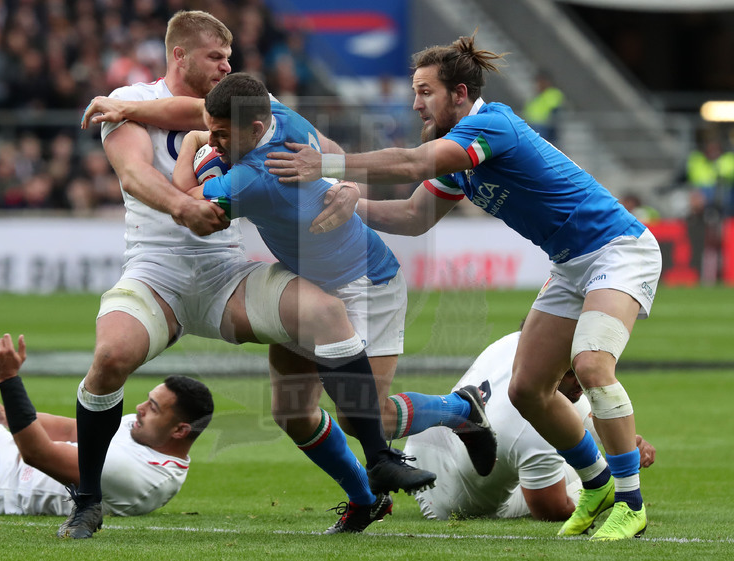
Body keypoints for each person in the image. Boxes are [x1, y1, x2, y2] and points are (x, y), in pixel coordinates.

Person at [265, 32, 663, 541]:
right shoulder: (464, 158)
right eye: (415, 91)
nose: (415, 103)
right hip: (571, 265)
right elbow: (412, 216)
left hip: (618, 249)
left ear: (458, 93)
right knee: (526, 390)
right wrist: (347, 205)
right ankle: (597, 483)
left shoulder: (490, 125)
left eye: (425, 91)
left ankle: (631, 503)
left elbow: (415, 162)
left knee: (590, 366)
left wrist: (329, 165)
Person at [70, 10, 436, 538]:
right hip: (157, 272)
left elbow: (329, 154)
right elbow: (133, 174)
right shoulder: (129, 103)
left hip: (226, 273)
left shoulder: (241, 107)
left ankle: (372, 472)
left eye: (229, 57)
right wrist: (181, 206)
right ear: (180, 55)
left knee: (324, 318)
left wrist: (352, 188)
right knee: (110, 358)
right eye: (216, 56)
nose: (227, 65)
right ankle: (86, 502)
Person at [176, 71, 497, 531]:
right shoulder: (281, 116)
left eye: (222, 134)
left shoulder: (252, 179)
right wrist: (346, 185)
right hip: (309, 287)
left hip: (369, 286)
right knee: (292, 413)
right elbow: (336, 151)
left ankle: (463, 410)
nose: (216, 141)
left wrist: (192, 148)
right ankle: (365, 499)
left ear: (252, 128)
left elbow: (186, 203)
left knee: (367, 418)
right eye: (212, 131)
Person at [0, 334, 212, 518]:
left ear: (180, 431)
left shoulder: (137, 474)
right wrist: (5, 416)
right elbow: (72, 431)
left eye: (153, 408)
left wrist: (8, 380)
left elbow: (37, 453)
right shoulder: (148, 433)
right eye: (147, 400)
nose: (140, 408)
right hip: (1, 446)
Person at [404, 329, 655, 522]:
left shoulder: (518, 342)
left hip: (423, 450)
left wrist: (619, 443)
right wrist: (619, 470)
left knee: (560, 414)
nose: (579, 380)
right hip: (451, 501)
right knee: (589, 476)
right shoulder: (533, 429)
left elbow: (569, 404)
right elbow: (552, 509)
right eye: (570, 373)